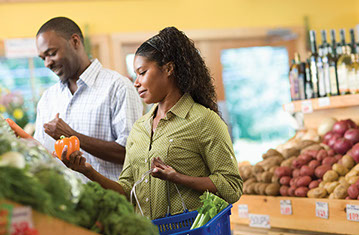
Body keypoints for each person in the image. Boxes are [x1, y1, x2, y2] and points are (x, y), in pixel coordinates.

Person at [62, 26, 243, 219]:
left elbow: (232, 187)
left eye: (142, 72)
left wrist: (178, 178)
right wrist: (87, 170)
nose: (136, 82)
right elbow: (126, 192)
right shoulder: (139, 128)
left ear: (168, 69)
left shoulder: (204, 120)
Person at [34, 17, 143, 181]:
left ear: (75, 42)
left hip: (110, 202)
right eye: (43, 58)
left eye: (52, 53)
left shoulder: (118, 87)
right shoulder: (48, 98)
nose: (47, 63)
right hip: (65, 202)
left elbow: (132, 154)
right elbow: (40, 151)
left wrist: (73, 136)